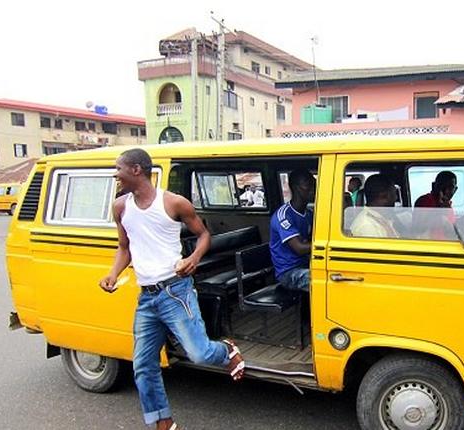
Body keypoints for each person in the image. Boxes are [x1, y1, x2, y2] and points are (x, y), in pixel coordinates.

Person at [99, 148, 244, 430]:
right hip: (147, 298)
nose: (115, 174)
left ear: (137, 170)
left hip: (176, 292)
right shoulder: (120, 207)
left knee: (199, 354)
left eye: (119, 168)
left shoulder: (174, 203)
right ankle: (162, 421)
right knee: (143, 366)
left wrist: (193, 258)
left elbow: (203, 235)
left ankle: (225, 351)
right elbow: (124, 248)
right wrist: (113, 274)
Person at [269, 169, 315, 292]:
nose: (313, 188)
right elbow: (299, 248)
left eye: (314, 184)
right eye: (308, 184)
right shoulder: (283, 216)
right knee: (326, 281)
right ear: (295, 188)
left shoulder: (309, 213)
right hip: (288, 272)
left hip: (306, 264)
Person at [412, 170, 458, 240]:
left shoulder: (447, 205)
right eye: (442, 185)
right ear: (434, 185)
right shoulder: (424, 201)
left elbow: (450, 232)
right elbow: (419, 230)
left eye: (450, 187)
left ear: (455, 190)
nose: (445, 190)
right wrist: (439, 211)